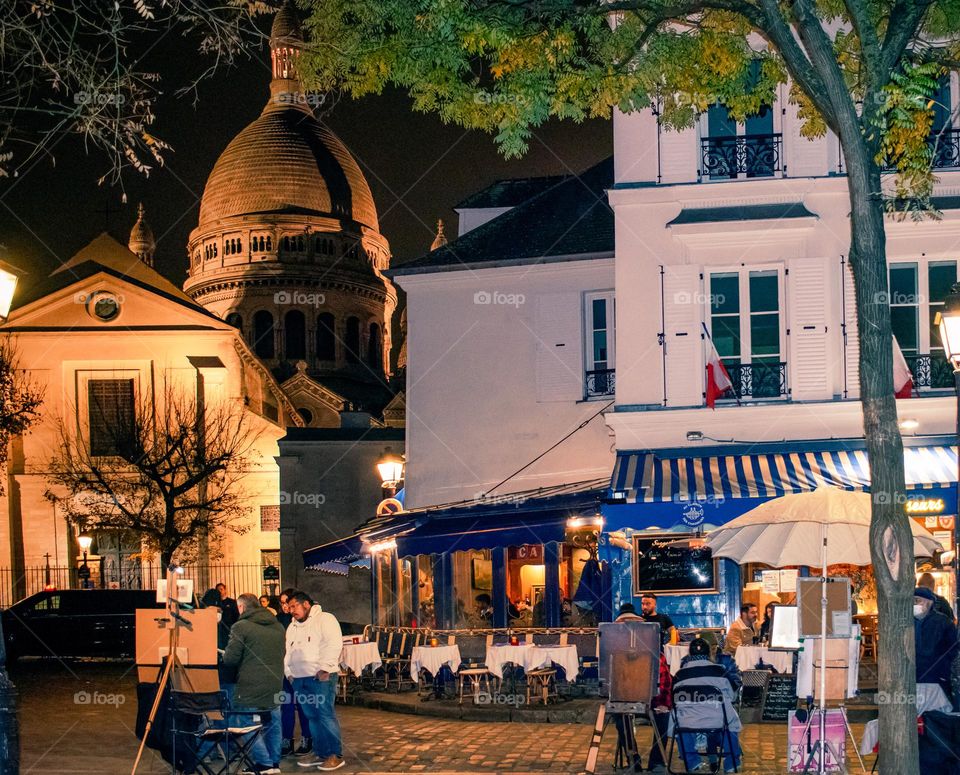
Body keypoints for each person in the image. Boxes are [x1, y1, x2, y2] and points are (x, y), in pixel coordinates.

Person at [222, 594, 286, 775]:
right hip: (275, 683)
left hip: (250, 685)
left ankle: (264, 763)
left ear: (241, 607)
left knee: (244, 722)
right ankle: (274, 763)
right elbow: (281, 652)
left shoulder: (240, 627)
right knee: (273, 722)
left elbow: (231, 659)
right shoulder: (278, 626)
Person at [285, 591, 345, 771]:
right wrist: (288, 672)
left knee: (325, 714)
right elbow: (288, 651)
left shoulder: (325, 619)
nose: (291, 610)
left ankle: (335, 754)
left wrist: (325, 667)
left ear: (306, 604)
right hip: (298, 678)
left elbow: (333, 643)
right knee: (312, 717)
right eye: (289, 607)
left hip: (320, 676)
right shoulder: (292, 626)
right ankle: (321, 752)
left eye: (294, 606)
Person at [615, 602, 671, 772]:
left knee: (662, 716)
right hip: (631, 698)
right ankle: (640, 760)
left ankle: (653, 761)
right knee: (623, 717)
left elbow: (665, 681)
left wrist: (663, 703)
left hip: (647, 699)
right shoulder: (616, 654)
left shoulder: (654, 654)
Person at [673, 637, 742, 774]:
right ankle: (731, 763)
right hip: (717, 719)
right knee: (730, 722)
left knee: (678, 721)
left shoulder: (679, 675)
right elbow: (732, 696)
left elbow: (674, 700)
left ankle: (691, 761)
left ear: (689, 655)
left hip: (688, 720)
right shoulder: (720, 671)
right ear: (710, 653)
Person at [277, 589, 311, 758]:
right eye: (282, 603)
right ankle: (286, 740)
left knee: (304, 706)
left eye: (288, 603)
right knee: (286, 705)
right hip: (284, 670)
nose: (285, 607)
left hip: (300, 671)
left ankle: (307, 738)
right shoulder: (279, 620)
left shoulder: (301, 621)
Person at [914, 586, 958, 696]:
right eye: (913, 601)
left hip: (936, 676)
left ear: (929, 603)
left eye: (917, 600)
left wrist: (942, 664)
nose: (914, 604)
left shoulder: (943, 622)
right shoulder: (910, 622)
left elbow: (953, 649)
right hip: (916, 676)